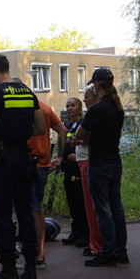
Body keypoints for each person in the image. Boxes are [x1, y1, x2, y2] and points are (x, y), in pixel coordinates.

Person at [0, 55, 46, 279]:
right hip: (24, 159)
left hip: (3, 161)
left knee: (2, 216)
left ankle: (8, 270)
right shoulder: (28, 93)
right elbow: (40, 127)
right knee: (25, 212)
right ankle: (30, 265)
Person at [75, 68, 128, 266]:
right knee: (116, 208)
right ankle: (120, 251)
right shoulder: (117, 107)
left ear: (97, 85)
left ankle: (107, 253)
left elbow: (80, 134)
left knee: (103, 210)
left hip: (98, 163)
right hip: (115, 160)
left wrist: (74, 140)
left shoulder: (96, 109)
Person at [28, 96, 68, 274]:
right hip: (43, 163)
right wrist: (59, 156)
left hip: (26, 162)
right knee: (37, 206)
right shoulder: (44, 108)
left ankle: (35, 252)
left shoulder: (21, 109)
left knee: (30, 209)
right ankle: (40, 250)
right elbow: (62, 130)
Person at [74, 87, 103, 256]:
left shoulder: (93, 114)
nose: (84, 101)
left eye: (86, 97)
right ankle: (99, 242)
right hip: (90, 160)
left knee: (92, 205)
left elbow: (83, 135)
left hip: (89, 160)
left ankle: (96, 244)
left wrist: (77, 140)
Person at [59, 97, 90, 247]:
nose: (70, 108)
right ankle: (75, 231)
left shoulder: (84, 124)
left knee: (81, 202)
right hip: (68, 168)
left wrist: (77, 156)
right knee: (72, 202)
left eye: (73, 105)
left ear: (80, 108)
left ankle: (85, 233)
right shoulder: (69, 126)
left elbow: (89, 143)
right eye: (67, 106)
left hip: (80, 167)